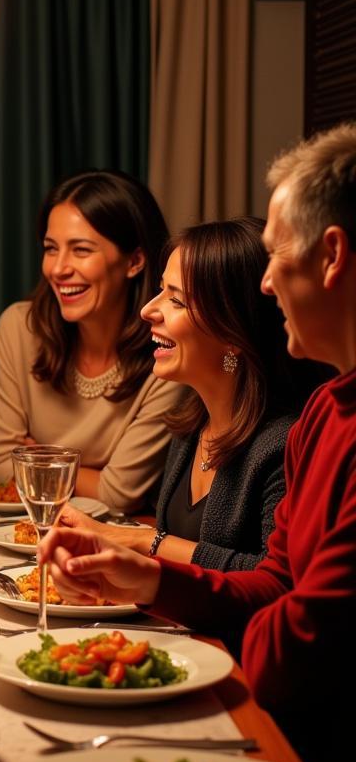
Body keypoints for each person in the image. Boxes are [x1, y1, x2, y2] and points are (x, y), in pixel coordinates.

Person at [40, 123, 356, 762]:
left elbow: (297, 637)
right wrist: (149, 579)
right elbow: (276, 585)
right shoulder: (326, 414)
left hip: (308, 750)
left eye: (278, 254)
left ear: (331, 256)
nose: (269, 283)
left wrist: (150, 551)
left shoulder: (297, 428)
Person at [60, 217, 326, 571]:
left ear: (234, 333)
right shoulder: (191, 425)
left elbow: (273, 579)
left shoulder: (286, 444)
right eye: (160, 291)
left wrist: (142, 539)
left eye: (177, 301)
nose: (148, 310)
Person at [0, 170, 180, 513]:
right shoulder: (19, 327)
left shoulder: (166, 353)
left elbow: (119, 494)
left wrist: (37, 458)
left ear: (134, 261)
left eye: (81, 250)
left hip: (115, 545)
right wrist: (94, 476)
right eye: (50, 248)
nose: (58, 269)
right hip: (20, 532)